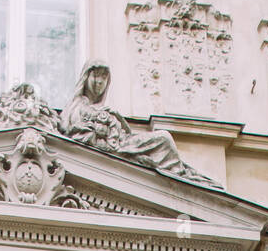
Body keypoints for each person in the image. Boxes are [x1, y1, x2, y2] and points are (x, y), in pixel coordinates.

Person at [59, 59, 215, 186]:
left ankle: (181, 177)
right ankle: (182, 177)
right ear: (86, 78)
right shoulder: (77, 105)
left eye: (104, 78)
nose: (99, 82)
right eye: (96, 76)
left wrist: (116, 120)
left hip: (125, 144)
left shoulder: (105, 110)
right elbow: (69, 129)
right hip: (119, 148)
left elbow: (125, 134)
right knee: (163, 139)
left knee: (164, 138)